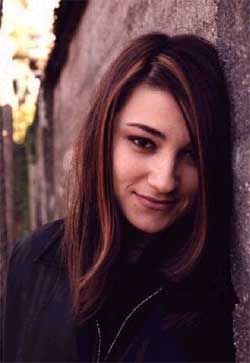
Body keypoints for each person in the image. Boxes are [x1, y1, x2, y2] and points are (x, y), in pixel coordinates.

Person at [2, 32, 237, 362]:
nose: (164, 180)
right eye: (143, 142)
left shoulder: (213, 302)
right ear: (104, 138)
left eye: (192, 154)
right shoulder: (31, 261)